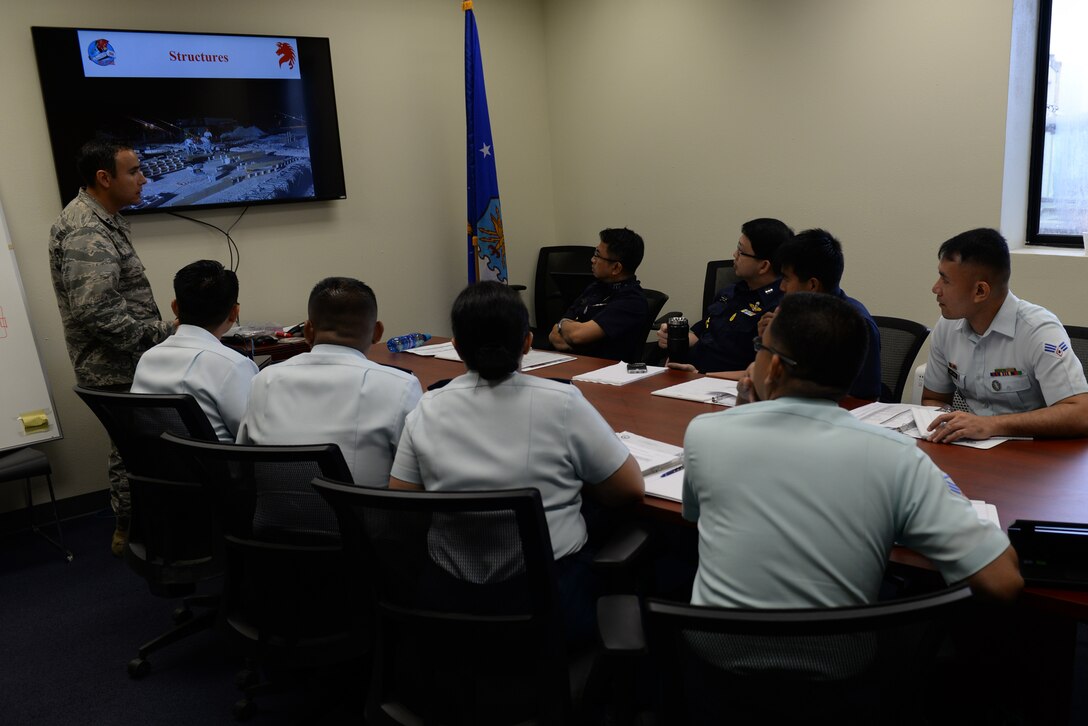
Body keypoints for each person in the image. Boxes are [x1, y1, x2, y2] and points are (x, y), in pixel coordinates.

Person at [684, 292, 1022, 609]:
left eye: (760, 346)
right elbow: (1003, 581)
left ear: (773, 369)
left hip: (711, 647)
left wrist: (743, 415)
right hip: (841, 662)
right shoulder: (897, 457)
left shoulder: (706, 432)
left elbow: (698, 519)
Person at [391, 281, 644, 645]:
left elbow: (402, 504)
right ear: (527, 342)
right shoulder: (563, 402)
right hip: (552, 600)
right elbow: (629, 489)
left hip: (451, 604)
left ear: (457, 347)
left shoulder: (427, 407)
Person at [48, 139, 173, 556]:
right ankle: (136, 535)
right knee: (133, 453)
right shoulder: (86, 230)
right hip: (114, 366)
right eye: (134, 171)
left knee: (133, 449)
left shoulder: (104, 218)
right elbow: (97, 311)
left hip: (127, 362)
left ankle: (140, 532)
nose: (144, 178)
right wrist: (159, 338)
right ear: (104, 178)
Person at [237, 277, 422, 488]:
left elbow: (243, 463)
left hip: (274, 518)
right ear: (377, 332)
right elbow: (419, 474)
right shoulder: (401, 387)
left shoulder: (263, 381)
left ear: (307, 330)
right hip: (364, 520)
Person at [921, 228, 1088, 442]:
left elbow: (1081, 413)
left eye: (945, 280)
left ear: (980, 291)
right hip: (972, 451)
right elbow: (933, 398)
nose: (935, 288)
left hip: (1037, 456)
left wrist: (991, 425)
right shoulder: (946, 327)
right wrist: (944, 422)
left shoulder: (1038, 330)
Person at [131, 260, 257, 442]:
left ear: (175, 307)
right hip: (222, 468)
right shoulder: (233, 365)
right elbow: (253, 437)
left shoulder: (147, 359)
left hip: (161, 469)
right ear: (234, 313)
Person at [657, 218, 792, 378]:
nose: (734, 255)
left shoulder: (779, 307)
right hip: (690, 376)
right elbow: (700, 333)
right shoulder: (729, 292)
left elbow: (765, 373)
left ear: (763, 266)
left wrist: (702, 376)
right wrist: (674, 338)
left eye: (741, 252)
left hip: (726, 388)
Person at [765, 228, 882, 400]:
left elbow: (864, 398)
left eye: (786, 279)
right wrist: (768, 340)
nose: (781, 287)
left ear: (812, 285)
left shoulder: (855, 324)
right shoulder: (794, 314)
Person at [548, 227, 649, 361]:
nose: (592, 259)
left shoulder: (632, 301)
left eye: (597, 255)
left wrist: (566, 328)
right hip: (574, 362)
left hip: (606, 373)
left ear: (616, 268)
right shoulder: (595, 287)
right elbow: (554, 334)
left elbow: (577, 335)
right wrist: (568, 328)